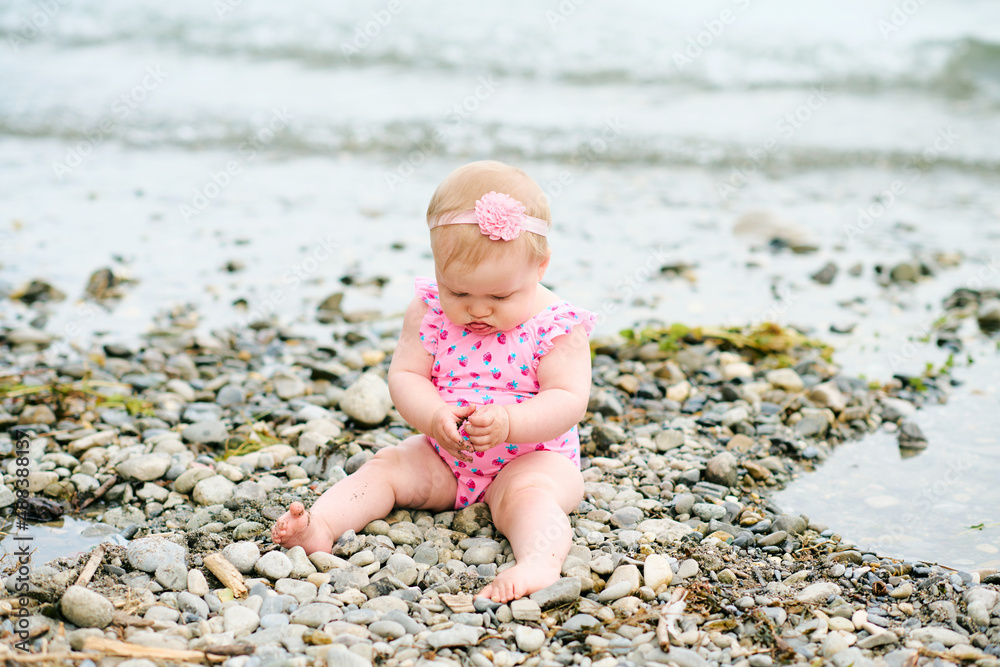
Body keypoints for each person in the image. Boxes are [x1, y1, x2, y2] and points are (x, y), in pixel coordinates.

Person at [271, 160, 597, 602]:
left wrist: (510, 423)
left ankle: (539, 563)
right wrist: (433, 414)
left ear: (541, 267)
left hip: (532, 458)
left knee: (532, 497)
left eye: (500, 296)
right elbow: (406, 376)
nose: (477, 309)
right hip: (446, 456)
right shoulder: (430, 311)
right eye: (458, 291)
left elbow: (568, 399)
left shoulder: (557, 326)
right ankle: (322, 524)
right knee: (387, 465)